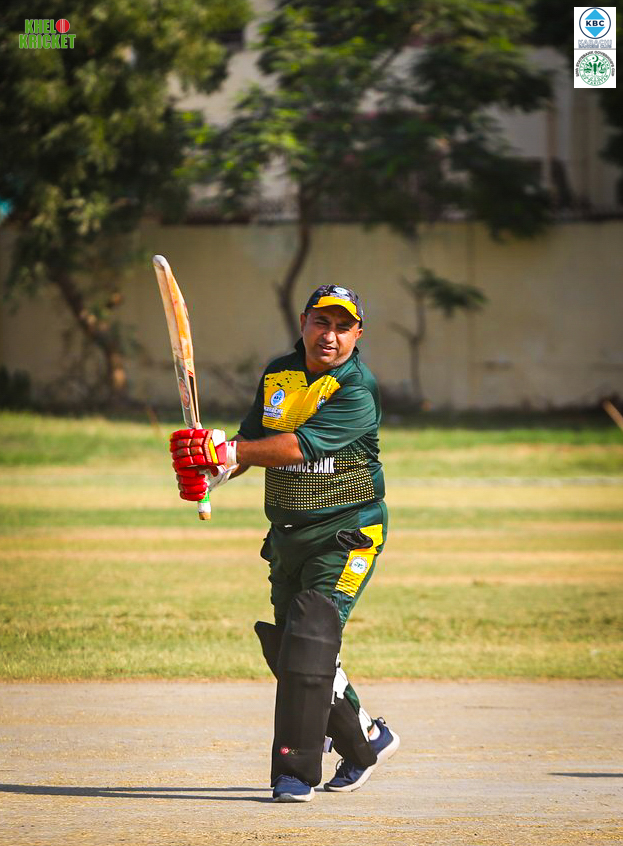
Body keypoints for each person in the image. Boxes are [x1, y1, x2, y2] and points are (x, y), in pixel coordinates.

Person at [169, 284, 400, 803]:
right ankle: (365, 738)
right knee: (291, 651)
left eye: (343, 327)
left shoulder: (356, 387)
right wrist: (213, 469)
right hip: (287, 537)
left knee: (311, 639)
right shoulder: (279, 374)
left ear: (358, 334)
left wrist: (228, 451)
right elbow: (252, 442)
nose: (330, 335)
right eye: (322, 322)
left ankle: (295, 773)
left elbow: (299, 447)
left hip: (347, 532)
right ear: (303, 323)